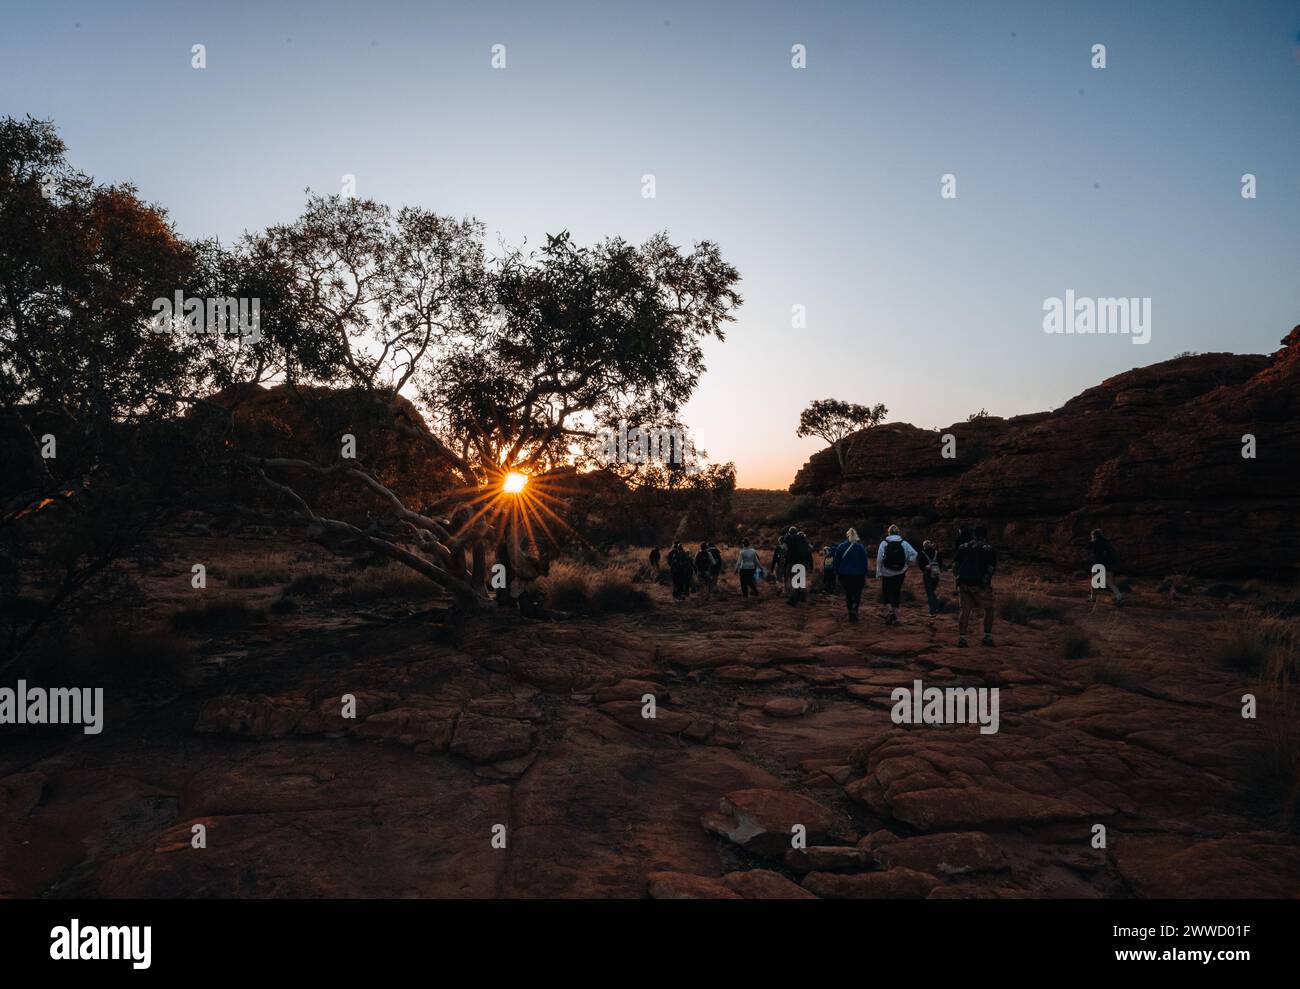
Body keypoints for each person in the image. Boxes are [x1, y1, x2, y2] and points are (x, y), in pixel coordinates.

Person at [953, 524, 997, 647]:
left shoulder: (963, 547)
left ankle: (962, 639)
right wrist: (985, 583)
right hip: (979, 584)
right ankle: (987, 637)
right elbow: (990, 568)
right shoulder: (988, 549)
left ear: (974, 535)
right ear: (985, 536)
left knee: (965, 610)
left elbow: (955, 565)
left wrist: (957, 579)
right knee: (990, 608)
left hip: (963, 582)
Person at [876, 524, 918, 625]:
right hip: (900, 572)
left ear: (889, 533)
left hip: (886, 573)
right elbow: (914, 553)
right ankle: (894, 614)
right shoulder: (904, 543)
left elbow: (879, 559)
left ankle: (890, 612)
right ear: (898, 532)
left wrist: (879, 572)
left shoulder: (884, 543)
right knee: (896, 592)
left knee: (886, 592)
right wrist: (907, 563)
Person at [832, 528, 869, 621]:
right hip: (859, 574)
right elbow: (865, 561)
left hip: (845, 574)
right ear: (856, 536)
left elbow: (836, 561)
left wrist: (836, 572)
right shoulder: (860, 547)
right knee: (857, 593)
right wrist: (865, 573)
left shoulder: (841, 546)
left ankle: (850, 612)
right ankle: (855, 608)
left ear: (847, 536)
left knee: (848, 593)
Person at [1089, 528, 1123, 606]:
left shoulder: (1095, 542)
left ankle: (1093, 597)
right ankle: (1119, 597)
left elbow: (1093, 553)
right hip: (1110, 565)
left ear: (1094, 535)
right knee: (1110, 583)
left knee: (1094, 582)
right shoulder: (1107, 542)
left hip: (1099, 564)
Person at [785, 528, 815, 605]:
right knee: (800, 581)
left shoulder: (791, 538)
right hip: (803, 563)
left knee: (793, 581)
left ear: (790, 532)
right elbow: (811, 549)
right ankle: (802, 597)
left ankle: (793, 599)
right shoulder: (803, 540)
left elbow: (786, 541)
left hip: (793, 562)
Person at [917, 539, 943, 615]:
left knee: (929, 592)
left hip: (927, 574)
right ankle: (937, 606)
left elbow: (920, 565)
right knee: (932, 591)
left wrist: (925, 568)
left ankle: (933, 610)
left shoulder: (922, 554)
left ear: (924, 546)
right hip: (936, 574)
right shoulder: (937, 553)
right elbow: (941, 563)